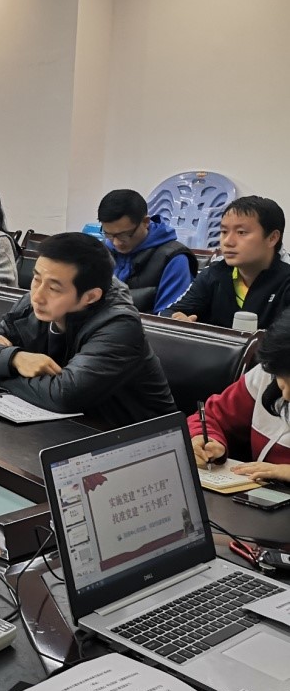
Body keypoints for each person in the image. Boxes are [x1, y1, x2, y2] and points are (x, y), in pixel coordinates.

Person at [0, 232, 175, 429]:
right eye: (36, 279)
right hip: (63, 427)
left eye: (54, 288)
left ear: (90, 296)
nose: (37, 295)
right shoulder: (31, 305)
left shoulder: (120, 325)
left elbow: (65, 395)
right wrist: (16, 359)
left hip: (134, 438)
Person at [189, 311, 290, 481]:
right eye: (282, 381)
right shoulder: (267, 373)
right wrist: (207, 440)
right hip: (257, 491)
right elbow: (212, 417)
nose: (286, 395)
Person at [167, 196, 290, 329]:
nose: (227, 241)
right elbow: (168, 313)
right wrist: (178, 319)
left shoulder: (286, 280)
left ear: (272, 238)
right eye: (224, 231)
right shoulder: (213, 273)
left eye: (241, 232)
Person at [96, 189, 196, 314]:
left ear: (145, 222)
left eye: (124, 235)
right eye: (109, 234)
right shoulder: (99, 252)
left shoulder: (173, 259)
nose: (116, 243)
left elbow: (168, 318)